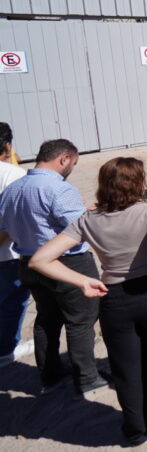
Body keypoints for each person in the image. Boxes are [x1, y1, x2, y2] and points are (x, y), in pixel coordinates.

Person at [29, 157, 147, 446]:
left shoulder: (87, 219)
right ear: (140, 181)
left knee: (128, 369)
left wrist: (82, 281)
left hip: (114, 298)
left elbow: (39, 260)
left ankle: (137, 429)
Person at [0, 139, 106, 395]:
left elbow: (5, 228)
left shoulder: (13, 188)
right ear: (64, 159)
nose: (72, 168)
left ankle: (49, 374)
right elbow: (80, 230)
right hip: (67, 263)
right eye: (74, 163)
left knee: (46, 319)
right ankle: (87, 377)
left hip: (28, 262)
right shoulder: (59, 189)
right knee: (80, 321)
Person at [0, 122, 27, 369]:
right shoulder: (14, 175)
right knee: (12, 301)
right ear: (8, 145)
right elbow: (15, 219)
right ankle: (6, 351)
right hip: (7, 254)